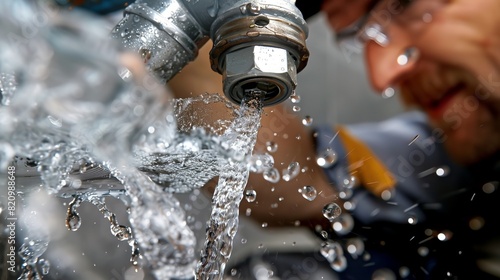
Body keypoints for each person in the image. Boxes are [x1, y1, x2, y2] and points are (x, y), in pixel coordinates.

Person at [169, 0, 500, 279]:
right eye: (361, 38)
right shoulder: (449, 158)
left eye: (406, 5)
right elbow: (292, 183)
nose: (382, 74)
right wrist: (191, 17)